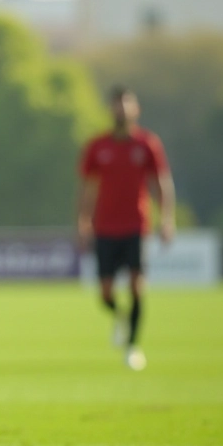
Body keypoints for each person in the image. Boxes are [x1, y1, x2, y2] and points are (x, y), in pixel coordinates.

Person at [77, 86, 175, 371]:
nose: (121, 110)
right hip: (105, 228)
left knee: (136, 285)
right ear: (110, 110)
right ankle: (121, 317)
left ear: (136, 109)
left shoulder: (147, 144)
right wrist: (83, 222)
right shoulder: (97, 146)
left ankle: (132, 346)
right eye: (116, 105)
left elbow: (161, 183)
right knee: (105, 293)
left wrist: (166, 219)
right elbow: (86, 188)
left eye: (126, 104)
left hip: (136, 225)